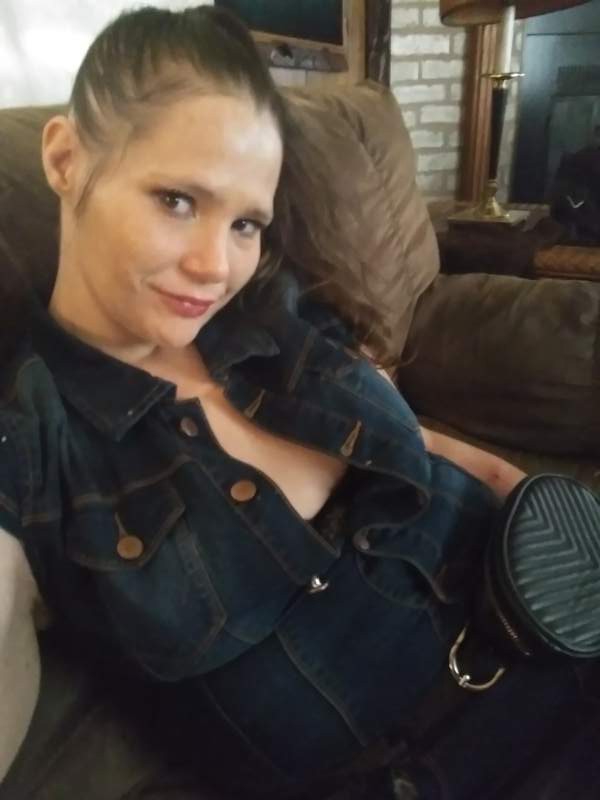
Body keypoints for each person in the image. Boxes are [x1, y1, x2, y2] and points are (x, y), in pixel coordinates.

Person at [0, 6, 597, 800]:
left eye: (245, 222)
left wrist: (567, 531)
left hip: (561, 631)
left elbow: (433, 450)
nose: (217, 266)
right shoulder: (33, 448)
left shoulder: (272, 312)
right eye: (177, 199)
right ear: (66, 158)